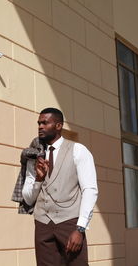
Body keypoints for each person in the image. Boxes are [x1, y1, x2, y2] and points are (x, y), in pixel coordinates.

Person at [22, 107, 98, 266]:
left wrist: (80, 228)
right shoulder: (33, 155)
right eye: (39, 123)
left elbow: (90, 190)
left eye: (45, 123)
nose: (40, 126)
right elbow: (28, 199)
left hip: (70, 223)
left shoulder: (78, 150)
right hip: (42, 224)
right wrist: (38, 179)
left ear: (58, 126)